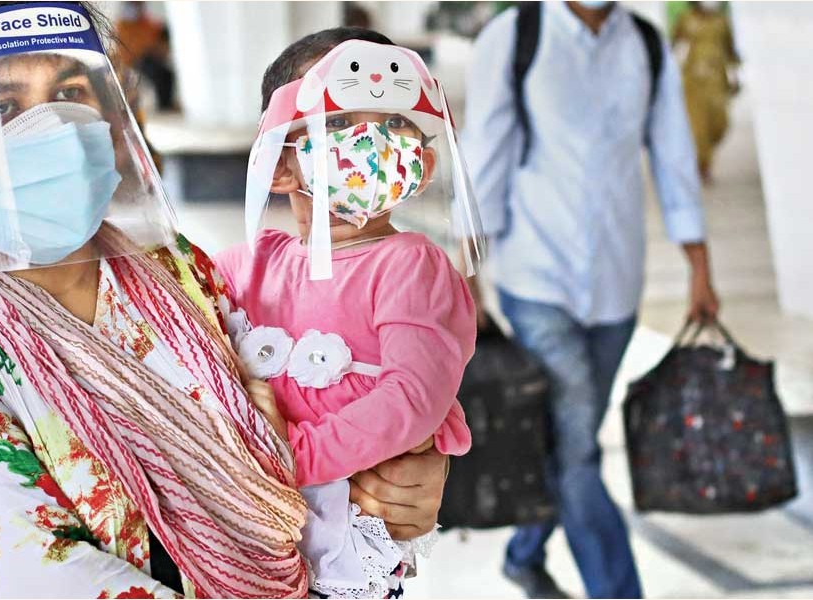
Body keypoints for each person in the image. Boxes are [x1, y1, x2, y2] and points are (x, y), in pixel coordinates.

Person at [0, 3, 450, 597]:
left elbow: (320, 391)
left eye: (71, 91)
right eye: (6, 107)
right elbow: (24, 573)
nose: (57, 128)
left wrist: (402, 480)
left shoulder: (179, 274)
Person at [463, 2, 720, 598]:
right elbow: (487, 153)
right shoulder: (516, 35)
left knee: (566, 434)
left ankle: (523, 552)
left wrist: (699, 268)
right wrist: (467, 268)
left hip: (616, 281)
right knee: (577, 449)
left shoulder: (647, 45)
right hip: (536, 275)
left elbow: (675, 157)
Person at [214, 28, 481, 598]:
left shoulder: (412, 266)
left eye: (394, 124)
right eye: (336, 124)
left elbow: (411, 399)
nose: (372, 142)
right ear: (278, 166)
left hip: (343, 557)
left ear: (422, 162)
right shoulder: (245, 266)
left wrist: (288, 459)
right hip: (247, 549)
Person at [673, 1, 740, 185]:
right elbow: (674, 46)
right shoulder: (686, 20)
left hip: (717, 81)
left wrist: (735, 76)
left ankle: (703, 159)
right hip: (693, 83)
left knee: (720, 124)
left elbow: (731, 51)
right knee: (698, 128)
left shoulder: (722, 22)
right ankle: (702, 167)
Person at [115, 1, 176, 111]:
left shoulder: (146, 23)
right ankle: (164, 106)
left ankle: (166, 104)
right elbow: (127, 50)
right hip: (134, 61)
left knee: (167, 73)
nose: (138, 8)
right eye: (136, 5)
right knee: (156, 72)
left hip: (148, 58)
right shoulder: (122, 25)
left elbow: (157, 33)